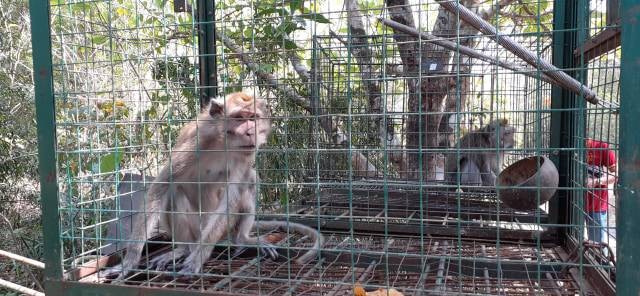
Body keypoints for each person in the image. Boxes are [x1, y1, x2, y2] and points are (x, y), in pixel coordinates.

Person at [585, 138, 617, 244]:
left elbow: (616, 174)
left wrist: (596, 181)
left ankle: (602, 260)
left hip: (596, 203)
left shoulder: (601, 146)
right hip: (573, 202)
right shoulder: (570, 146)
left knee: (597, 245)